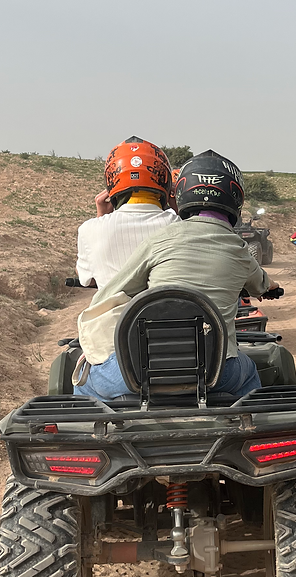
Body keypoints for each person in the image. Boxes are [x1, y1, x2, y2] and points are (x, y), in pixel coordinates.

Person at [74, 150, 282, 401]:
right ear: (236, 198)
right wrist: (271, 287)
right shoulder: (239, 250)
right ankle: (250, 426)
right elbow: (262, 284)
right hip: (215, 374)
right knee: (248, 373)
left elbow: (114, 290)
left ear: (181, 193)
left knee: (84, 382)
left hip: (142, 374)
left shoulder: (161, 239)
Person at [75, 140, 176, 289]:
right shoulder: (179, 225)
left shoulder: (89, 230)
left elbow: (86, 278)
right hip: (165, 311)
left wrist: (101, 218)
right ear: (164, 181)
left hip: (112, 312)